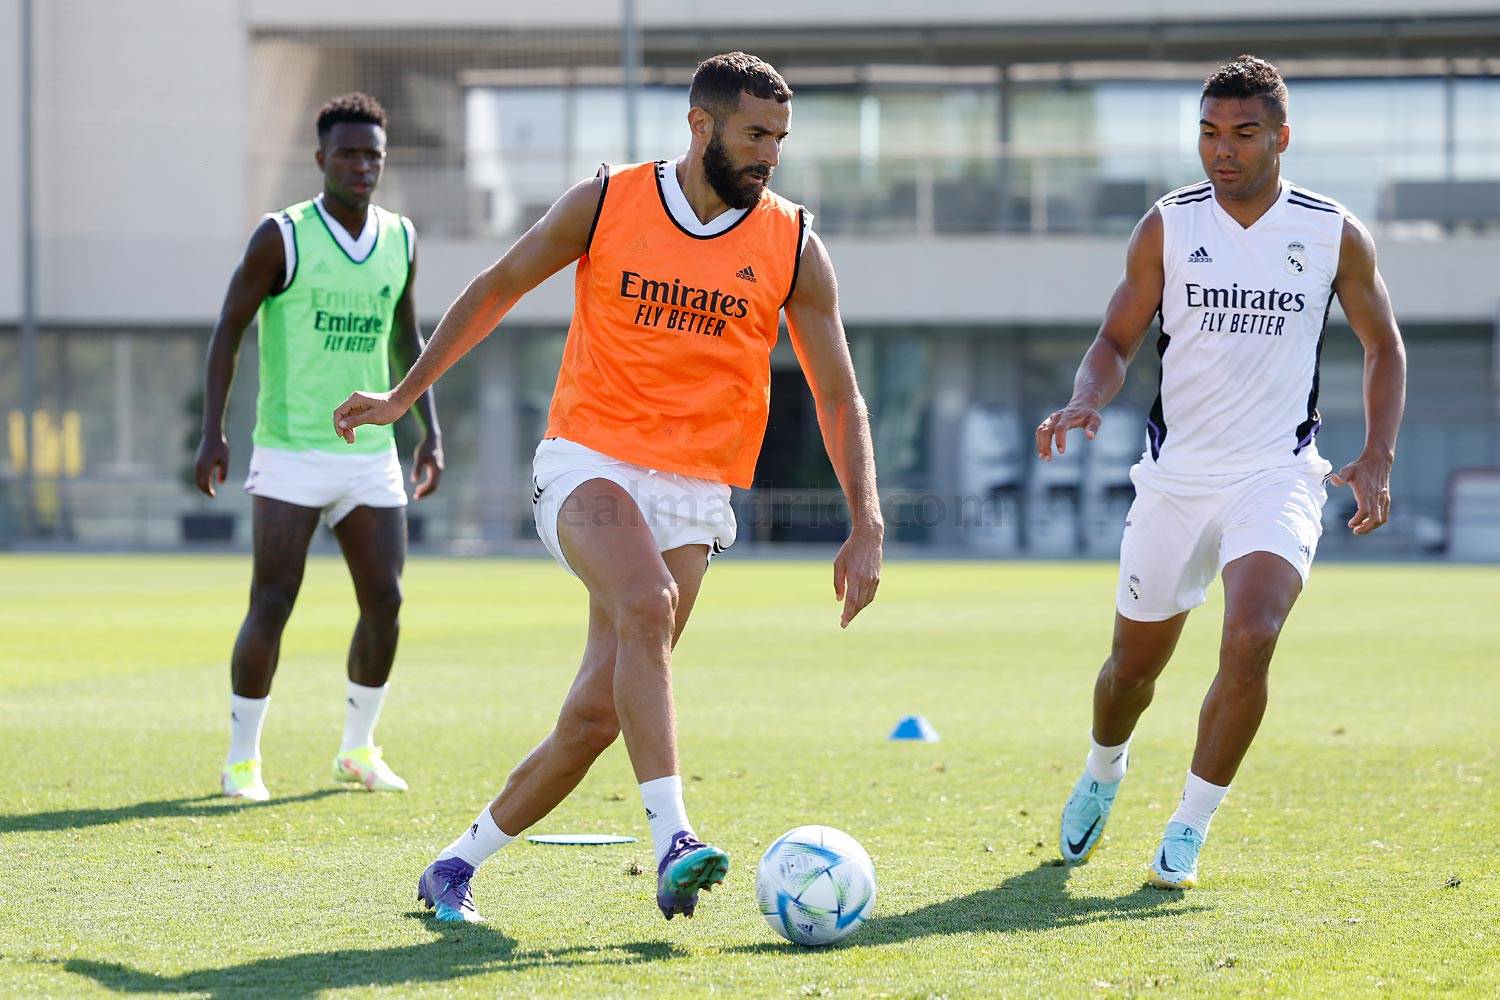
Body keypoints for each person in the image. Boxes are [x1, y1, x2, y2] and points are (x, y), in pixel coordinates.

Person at [333, 52, 883, 923]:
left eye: (780, 139)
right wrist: (405, 396)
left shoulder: (794, 243)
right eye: (754, 135)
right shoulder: (607, 200)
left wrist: (867, 522)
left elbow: (837, 393)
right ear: (700, 126)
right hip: (586, 464)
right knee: (648, 602)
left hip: (697, 490)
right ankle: (675, 840)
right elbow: (497, 287)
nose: (770, 155)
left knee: (595, 717)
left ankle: (453, 865)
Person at [1042, 55, 1406, 888]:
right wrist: (1085, 397)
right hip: (1175, 480)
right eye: (1209, 134)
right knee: (1129, 674)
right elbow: (1114, 339)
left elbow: (1383, 344)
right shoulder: (1168, 226)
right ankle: (1104, 768)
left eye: (1243, 135)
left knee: (1253, 635)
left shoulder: (1332, 231)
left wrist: (1378, 453)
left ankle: (1189, 824)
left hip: (1276, 475)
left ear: (1282, 138)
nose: (1222, 152)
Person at [194, 93, 444, 803]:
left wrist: (429, 433)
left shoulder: (401, 237)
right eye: (348, 153)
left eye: (373, 155)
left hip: (371, 455)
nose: (362, 165)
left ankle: (358, 751)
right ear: (321, 160)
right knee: (272, 602)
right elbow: (228, 329)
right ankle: (242, 761)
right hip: (291, 451)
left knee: (387, 602)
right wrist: (212, 430)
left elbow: (407, 341)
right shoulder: (282, 236)